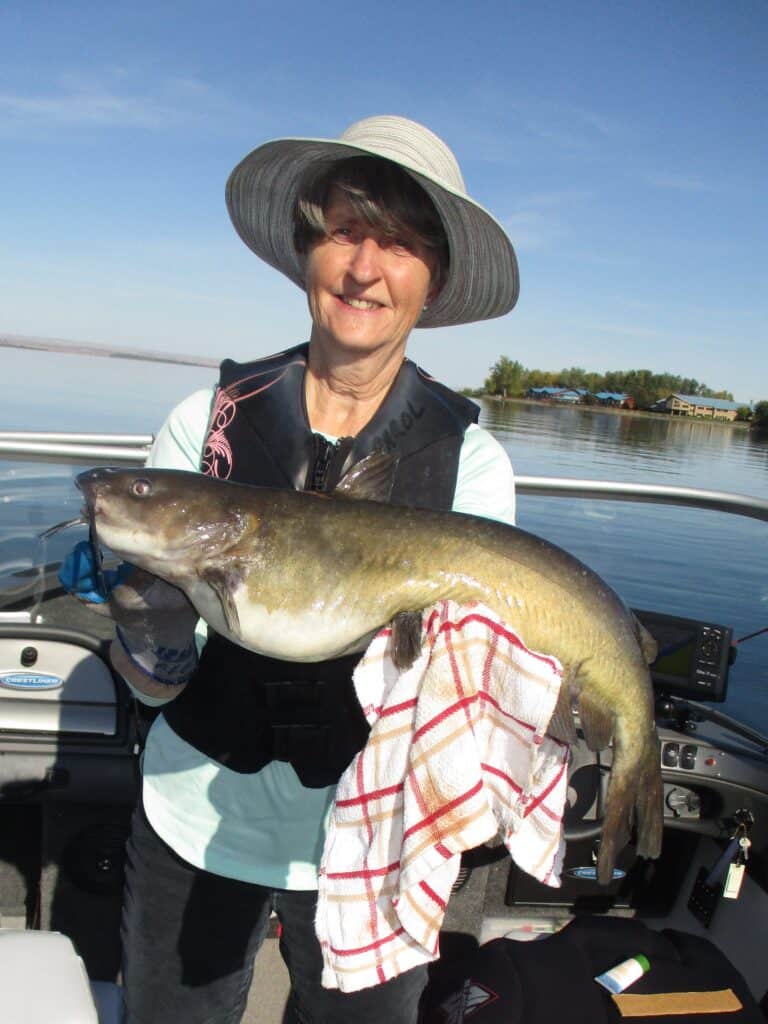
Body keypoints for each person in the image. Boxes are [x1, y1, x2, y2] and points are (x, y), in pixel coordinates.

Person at [109, 114, 520, 1023]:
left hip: (375, 841)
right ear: (308, 250)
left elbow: (465, 691)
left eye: (403, 245)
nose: (366, 269)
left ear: (434, 280)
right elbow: (148, 683)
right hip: (190, 818)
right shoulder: (202, 426)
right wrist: (147, 624)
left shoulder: (473, 468)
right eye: (346, 232)